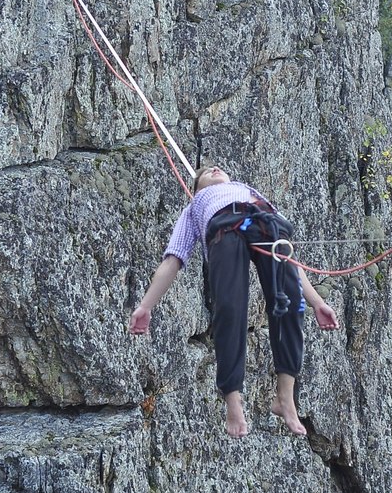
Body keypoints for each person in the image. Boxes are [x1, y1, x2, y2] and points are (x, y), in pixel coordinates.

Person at [128, 165, 339, 438]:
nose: (214, 169)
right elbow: (173, 258)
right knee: (230, 308)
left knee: (289, 302)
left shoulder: (250, 192)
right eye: (204, 172)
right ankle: (233, 401)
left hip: (268, 229)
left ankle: (285, 399)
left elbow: (292, 264)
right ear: (196, 189)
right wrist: (145, 306)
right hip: (224, 232)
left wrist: (317, 302)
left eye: (218, 168)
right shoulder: (195, 208)